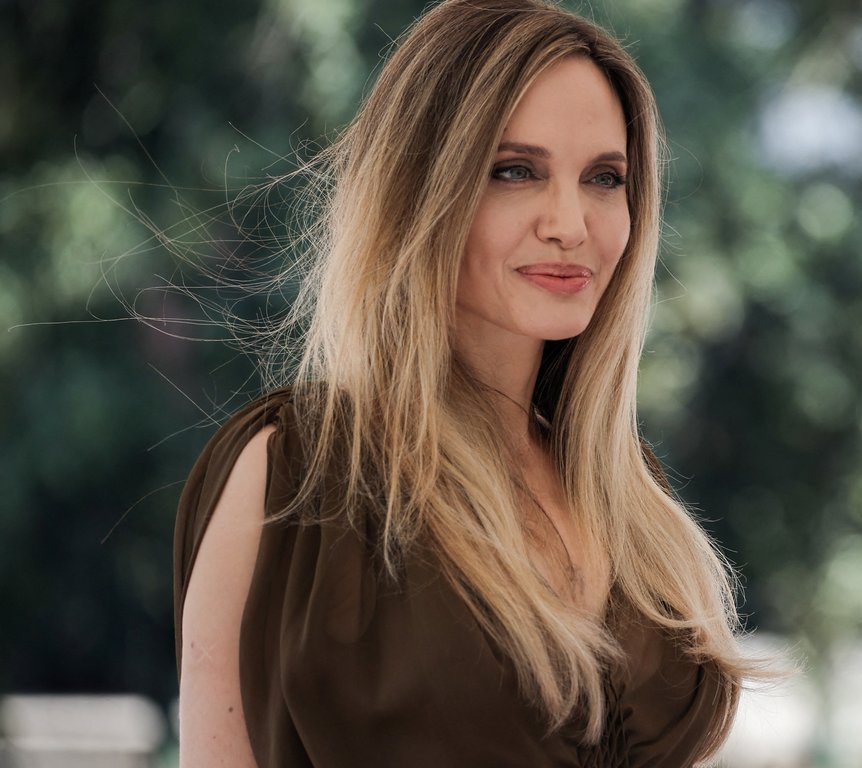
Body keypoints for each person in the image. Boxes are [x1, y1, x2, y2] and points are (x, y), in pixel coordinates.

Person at [172, 1, 766, 764]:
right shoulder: (292, 474)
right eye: (515, 171)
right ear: (419, 189)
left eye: (604, 178)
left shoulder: (629, 493)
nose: (570, 223)